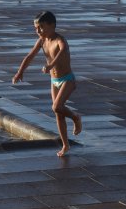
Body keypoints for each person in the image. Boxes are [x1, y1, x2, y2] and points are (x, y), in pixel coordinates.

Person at [12, 11, 82, 157]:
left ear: (52, 25)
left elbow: (62, 52)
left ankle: (75, 117)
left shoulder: (59, 40)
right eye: (36, 28)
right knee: (58, 112)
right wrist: (20, 72)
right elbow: (29, 56)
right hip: (54, 81)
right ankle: (65, 145)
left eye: (41, 27)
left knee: (56, 106)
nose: (38, 31)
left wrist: (50, 66)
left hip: (67, 79)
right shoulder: (42, 41)